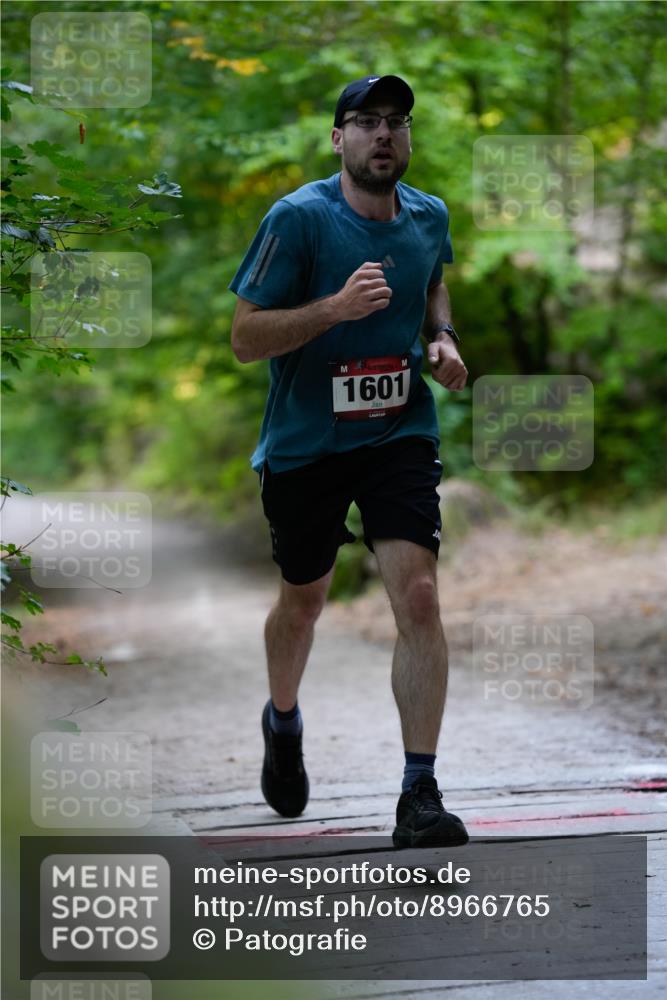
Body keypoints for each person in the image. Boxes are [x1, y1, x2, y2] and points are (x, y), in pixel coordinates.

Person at [229, 74, 469, 848]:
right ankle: (283, 719)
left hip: (397, 431)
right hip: (306, 444)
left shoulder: (427, 214)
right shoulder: (297, 220)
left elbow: (432, 279)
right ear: (339, 138)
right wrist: (334, 308)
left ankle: (418, 793)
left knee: (421, 598)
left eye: (395, 122)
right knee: (304, 599)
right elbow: (243, 339)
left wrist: (442, 339)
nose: (383, 134)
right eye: (365, 121)